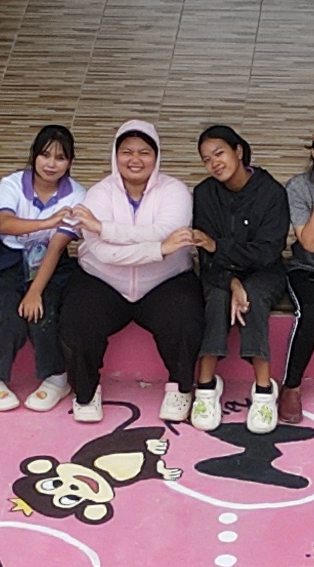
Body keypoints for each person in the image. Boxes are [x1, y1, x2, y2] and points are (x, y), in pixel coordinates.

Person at [60, 122, 210, 421]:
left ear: (157, 156)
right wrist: (159, 249)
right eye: (126, 151)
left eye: (144, 152)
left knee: (185, 320)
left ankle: (180, 388)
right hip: (103, 279)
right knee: (77, 322)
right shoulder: (99, 194)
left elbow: (166, 230)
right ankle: (86, 393)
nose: (135, 159)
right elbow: (102, 252)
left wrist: (104, 228)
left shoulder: (175, 191)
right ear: (115, 156)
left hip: (165, 280)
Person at [183, 122, 296, 428]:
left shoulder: (271, 192)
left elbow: (267, 252)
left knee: (253, 298)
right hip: (218, 271)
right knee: (217, 298)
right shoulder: (205, 193)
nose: (214, 163)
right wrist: (232, 282)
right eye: (206, 159)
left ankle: (264, 389)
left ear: (239, 151)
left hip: (264, 271)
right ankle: (206, 386)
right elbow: (205, 252)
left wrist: (219, 246)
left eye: (219, 153)